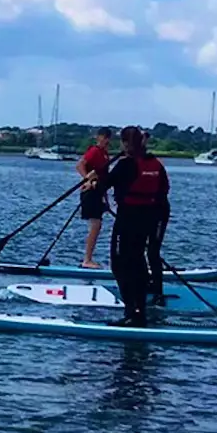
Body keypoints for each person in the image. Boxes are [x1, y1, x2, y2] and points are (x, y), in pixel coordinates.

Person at [105, 125, 170, 324]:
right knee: (138, 261)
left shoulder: (125, 164)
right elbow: (164, 190)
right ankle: (139, 311)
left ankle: (131, 312)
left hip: (127, 219)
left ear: (125, 143)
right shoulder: (155, 164)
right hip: (148, 219)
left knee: (120, 264)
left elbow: (103, 184)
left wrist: (93, 179)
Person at [76, 129, 114, 267]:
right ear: (99, 138)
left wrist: (106, 200)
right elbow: (80, 165)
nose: (106, 141)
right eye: (103, 138)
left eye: (107, 138)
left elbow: (104, 177)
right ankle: (87, 260)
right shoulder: (94, 151)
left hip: (99, 192)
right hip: (90, 191)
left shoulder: (105, 154)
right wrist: (87, 179)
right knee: (95, 225)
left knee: (97, 226)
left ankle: (88, 258)